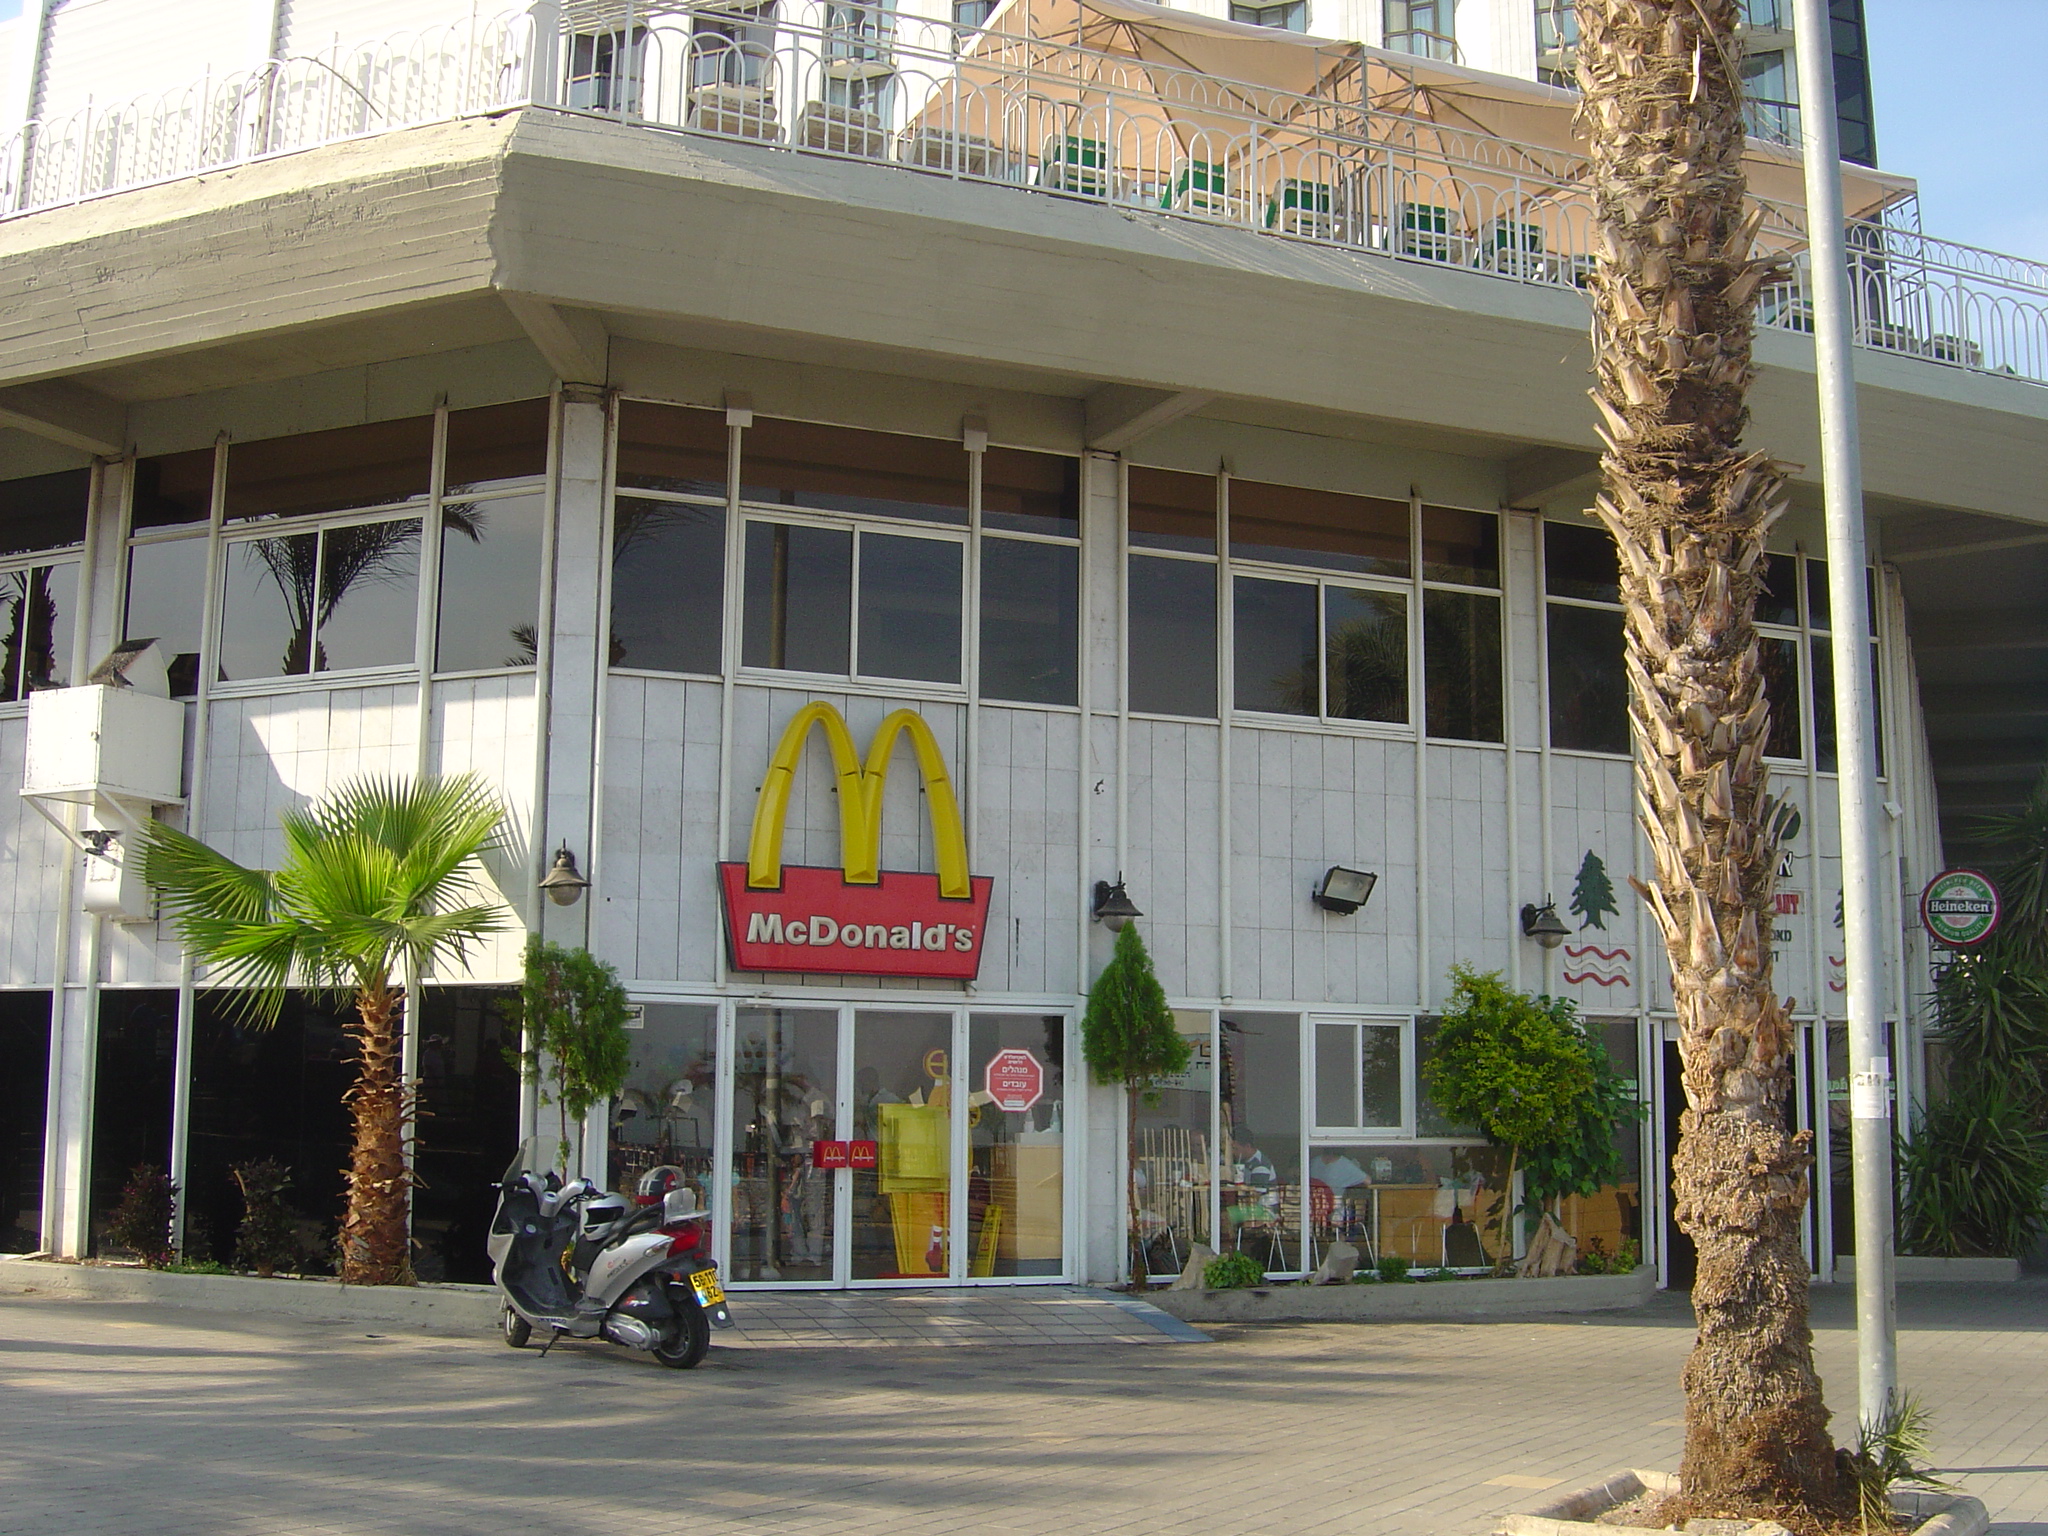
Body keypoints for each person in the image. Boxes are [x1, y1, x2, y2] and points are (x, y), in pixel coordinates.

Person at [1221, 1125, 1279, 1252]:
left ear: (1247, 1146)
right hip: (1254, 1208)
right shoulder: (1244, 1161)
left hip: (1265, 1211)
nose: (1233, 1152)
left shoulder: (1260, 1165)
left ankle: (1231, 1251)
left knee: (1224, 1216)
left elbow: (1255, 1196)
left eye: (1235, 1149)